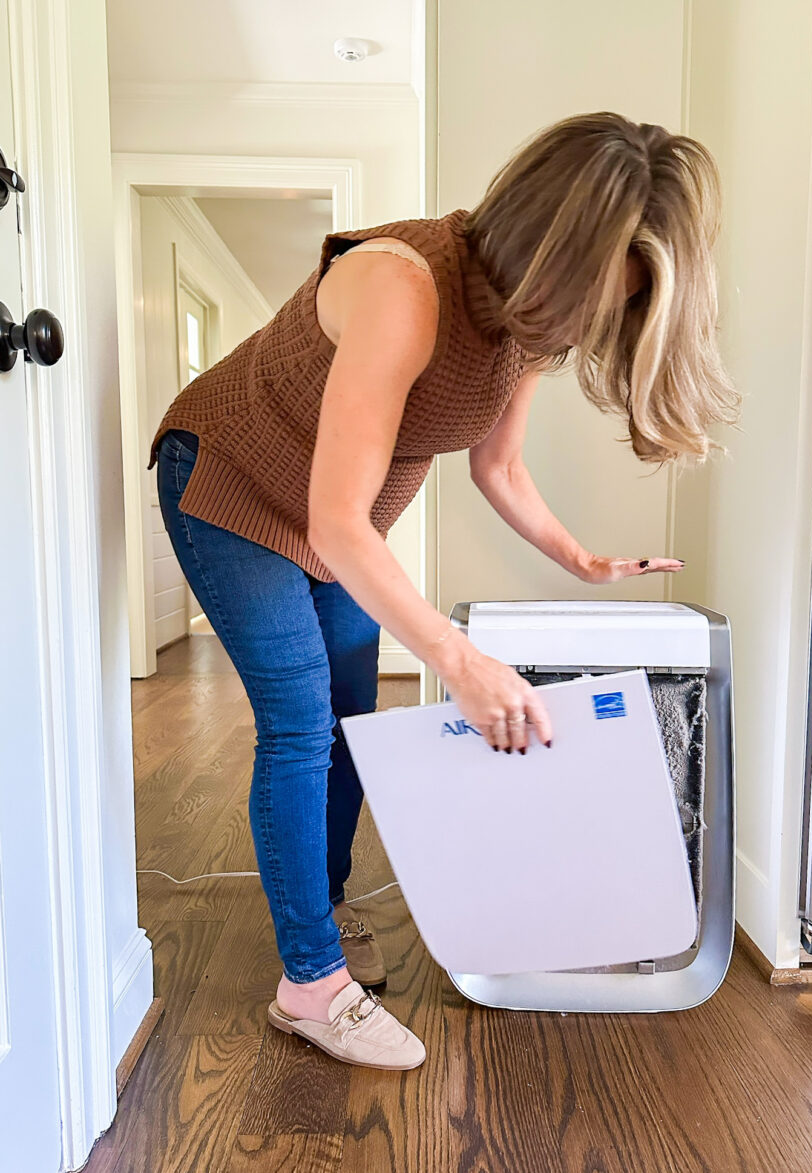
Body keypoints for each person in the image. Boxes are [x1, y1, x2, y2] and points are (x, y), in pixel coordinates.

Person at [150, 111, 738, 1071]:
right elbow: (340, 521)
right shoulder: (402, 286)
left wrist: (581, 557)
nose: (592, 329)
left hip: (322, 511)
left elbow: (497, 468)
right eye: (596, 301)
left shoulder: (532, 321)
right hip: (225, 478)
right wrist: (458, 660)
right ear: (547, 246)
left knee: (345, 715)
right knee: (300, 716)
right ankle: (310, 984)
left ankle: (325, 909)